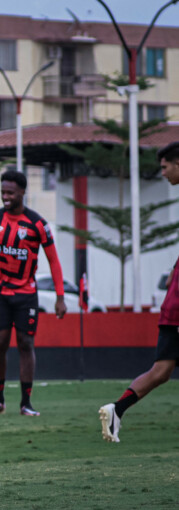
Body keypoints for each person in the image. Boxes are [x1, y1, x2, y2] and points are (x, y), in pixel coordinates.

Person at [99, 141, 179, 442]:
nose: (162, 173)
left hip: (173, 304)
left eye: (164, 167)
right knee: (160, 371)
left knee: (161, 372)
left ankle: (116, 410)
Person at [0, 170, 66, 417]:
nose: (5, 197)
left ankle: (26, 402)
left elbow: (54, 261)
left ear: (22, 193)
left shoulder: (38, 225)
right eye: (3, 192)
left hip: (26, 293)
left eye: (10, 192)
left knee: (26, 343)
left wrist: (60, 296)